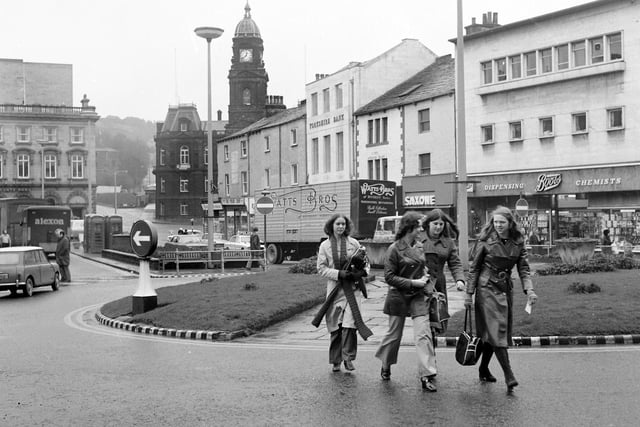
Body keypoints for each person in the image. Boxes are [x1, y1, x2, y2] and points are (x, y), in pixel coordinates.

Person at [464, 206, 538, 391]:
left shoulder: (518, 241)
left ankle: (483, 368)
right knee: (496, 331)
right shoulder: (485, 240)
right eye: (495, 222)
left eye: (502, 222)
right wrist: (468, 294)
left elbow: (523, 268)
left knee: (494, 332)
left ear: (510, 223)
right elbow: (474, 269)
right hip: (486, 288)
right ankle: (509, 375)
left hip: (505, 288)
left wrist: (529, 289)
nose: (498, 225)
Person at [375, 211, 438, 391]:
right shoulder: (394, 249)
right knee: (394, 336)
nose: (421, 229)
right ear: (409, 227)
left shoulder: (419, 246)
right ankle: (386, 364)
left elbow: (422, 268)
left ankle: (426, 375)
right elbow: (388, 277)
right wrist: (413, 282)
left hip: (418, 296)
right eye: (419, 226)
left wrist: (426, 281)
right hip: (398, 296)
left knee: (423, 335)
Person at [316, 214, 371, 373]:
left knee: (350, 325)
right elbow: (321, 269)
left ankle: (348, 358)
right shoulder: (325, 246)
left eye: (343, 224)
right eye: (337, 224)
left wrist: (359, 274)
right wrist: (339, 274)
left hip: (352, 291)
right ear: (331, 226)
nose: (340, 227)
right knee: (335, 327)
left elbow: (365, 265)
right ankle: (336, 361)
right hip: (335, 291)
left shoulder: (354, 243)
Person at [422, 209, 466, 333]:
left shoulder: (448, 242)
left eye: (441, 224)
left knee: (438, 320)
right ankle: (426, 348)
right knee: (423, 322)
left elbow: (455, 263)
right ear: (428, 224)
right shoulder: (418, 239)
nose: (438, 227)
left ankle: (433, 346)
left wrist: (460, 280)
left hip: (439, 286)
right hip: (421, 285)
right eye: (435, 224)